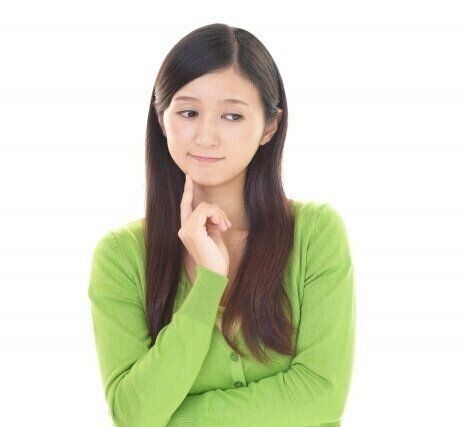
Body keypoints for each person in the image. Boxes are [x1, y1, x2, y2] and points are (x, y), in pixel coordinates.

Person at [87, 23, 356, 426]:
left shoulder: (315, 233)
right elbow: (133, 415)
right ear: (161, 119)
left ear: (269, 126)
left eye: (232, 115)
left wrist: (174, 419)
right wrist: (208, 285)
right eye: (189, 112)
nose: (207, 136)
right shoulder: (120, 256)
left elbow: (322, 393)